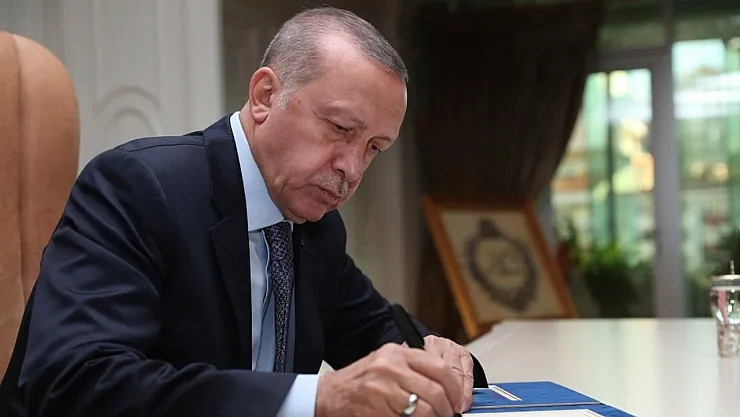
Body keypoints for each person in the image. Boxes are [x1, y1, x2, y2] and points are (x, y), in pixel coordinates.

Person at [0, 6, 488, 417]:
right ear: (265, 96)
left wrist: (444, 359)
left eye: (374, 147)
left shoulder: (315, 227)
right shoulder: (140, 188)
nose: (353, 169)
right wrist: (319, 398)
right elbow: (76, 382)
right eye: (340, 128)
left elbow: (379, 334)